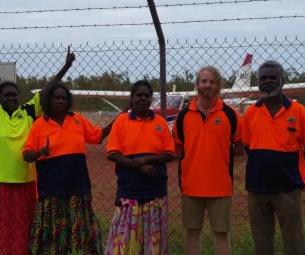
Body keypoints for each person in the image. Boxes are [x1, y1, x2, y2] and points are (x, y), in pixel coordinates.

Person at [0, 40, 75, 255]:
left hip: (24, 180)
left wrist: (66, 67)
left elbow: (48, 90)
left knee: (21, 228)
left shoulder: (29, 111)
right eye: (6, 95)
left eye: (14, 94)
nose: (11, 97)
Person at [23, 82, 123, 255]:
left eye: (63, 98)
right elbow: (26, 155)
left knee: (79, 236)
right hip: (51, 193)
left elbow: (98, 135)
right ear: (49, 100)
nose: (60, 101)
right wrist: (40, 152)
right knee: (54, 237)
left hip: (78, 190)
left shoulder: (77, 119)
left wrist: (121, 116)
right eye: (56, 98)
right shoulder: (40, 124)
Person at [242, 60, 305, 255]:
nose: (267, 81)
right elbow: (247, 147)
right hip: (257, 189)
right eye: (263, 78)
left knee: (293, 242)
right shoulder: (251, 112)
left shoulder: (298, 111)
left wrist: (286, 166)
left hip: (288, 189)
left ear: (282, 81)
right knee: (261, 242)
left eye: (273, 77)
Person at [172, 66, 244, 255]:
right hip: (191, 185)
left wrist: (216, 155)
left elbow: (239, 148)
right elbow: (178, 149)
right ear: (197, 85)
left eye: (212, 81)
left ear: (218, 86)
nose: (207, 85)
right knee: (192, 233)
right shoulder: (183, 116)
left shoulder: (231, 115)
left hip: (220, 186)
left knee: (221, 234)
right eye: (203, 81)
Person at [104, 80, 175, 255]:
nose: (143, 98)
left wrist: (146, 159)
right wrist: (139, 166)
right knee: (125, 245)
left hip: (155, 192)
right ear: (132, 99)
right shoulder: (121, 121)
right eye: (139, 95)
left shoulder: (160, 122)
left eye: (147, 95)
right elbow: (112, 153)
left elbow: (169, 153)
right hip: (129, 193)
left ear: (152, 99)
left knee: (153, 243)